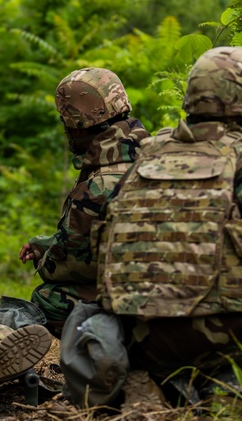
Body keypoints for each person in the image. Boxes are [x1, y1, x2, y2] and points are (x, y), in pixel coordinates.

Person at [61, 47, 242, 407]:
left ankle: (159, 382)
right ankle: (236, 383)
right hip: (219, 338)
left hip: (138, 337)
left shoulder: (145, 158)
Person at [18, 68, 148, 336]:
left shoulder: (97, 186)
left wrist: (47, 256)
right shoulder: (160, 158)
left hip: (141, 305)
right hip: (181, 292)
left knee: (47, 297)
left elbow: (65, 268)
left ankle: (111, 352)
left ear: (76, 125)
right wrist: (51, 242)